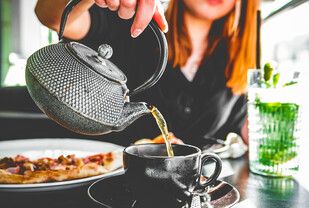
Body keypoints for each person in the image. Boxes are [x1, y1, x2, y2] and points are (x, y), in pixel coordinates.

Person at [34, 0, 259, 147]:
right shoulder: (129, 20)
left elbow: (244, 129)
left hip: (192, 196)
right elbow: (52, 16)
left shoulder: (235, 63)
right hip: (105, 181)